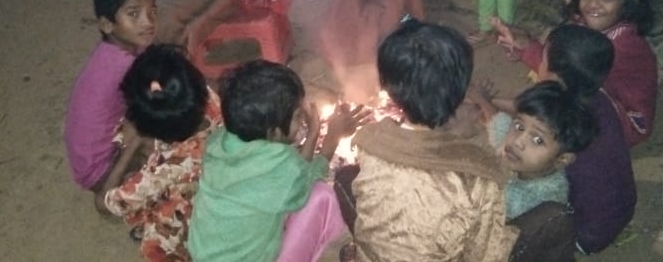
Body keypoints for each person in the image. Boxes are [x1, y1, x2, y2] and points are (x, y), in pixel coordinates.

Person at [350, 20, 519, 261]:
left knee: (345, 177)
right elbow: (485, 254)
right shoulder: (479, 175)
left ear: (389, 89)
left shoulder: (370, 142)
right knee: (550, 216)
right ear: (460, 92)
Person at [187, 60, 366, 262]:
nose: (302, 119)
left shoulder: (219, 142)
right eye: (298, 116)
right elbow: (304, 180)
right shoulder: (278, 164)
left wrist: (313, 133)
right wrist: (331, 139)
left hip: (204, 255)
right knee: (322, 195)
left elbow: (293, 174)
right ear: (273, 133)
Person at [494, 0, 657, 147]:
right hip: (597, 93)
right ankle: (522, 110)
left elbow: (563, 69)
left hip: (624, 123)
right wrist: (522, 45)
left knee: (561, 95)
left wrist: (526, 49)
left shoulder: (621, 44)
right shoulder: (587, 24)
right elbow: (560, 58)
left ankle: (526, 114)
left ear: (629, 2)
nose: (593, 4)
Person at [96, 44, 221, 261]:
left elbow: (104, 204)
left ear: (151, 131)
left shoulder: (163, 170)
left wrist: (131, 147)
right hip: (217, 187)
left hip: (190, 224)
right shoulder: (210, 96)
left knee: (158, 240)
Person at [64, 0, 157, 195]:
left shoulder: (114, 51)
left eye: (153, 11)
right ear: (106, 25)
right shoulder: (126, 66)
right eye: (133, 14)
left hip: (87, 164)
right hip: (103, 172)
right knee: (176, 127)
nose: (148, 22)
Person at [475, 81, 597, 221]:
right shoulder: (521, 154)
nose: (518, 141)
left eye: (538, 140)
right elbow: (500, 124)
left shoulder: (538, 201)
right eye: (520, 127)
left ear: (562, 159)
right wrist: (481, 100)